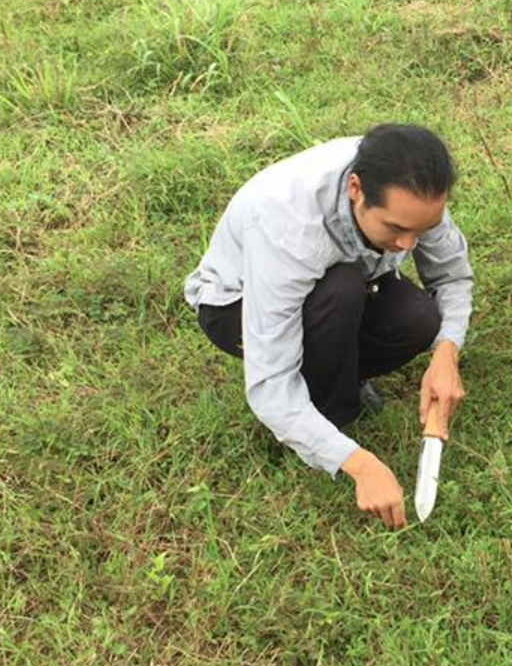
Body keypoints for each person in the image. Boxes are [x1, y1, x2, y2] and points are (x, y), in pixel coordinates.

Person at [184, 124, 473, 529]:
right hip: (236, 305)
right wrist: (356, 463)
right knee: (340, 289)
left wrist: (447, 353)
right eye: (395, 229)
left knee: (418, 318)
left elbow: (453, 278)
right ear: (356, 189)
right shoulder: (288, 227)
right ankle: (330, 415)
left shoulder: (414, 188)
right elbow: (270, 383)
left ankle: (339, 379)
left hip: (350, 282)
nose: (409, 245)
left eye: (421, 230)